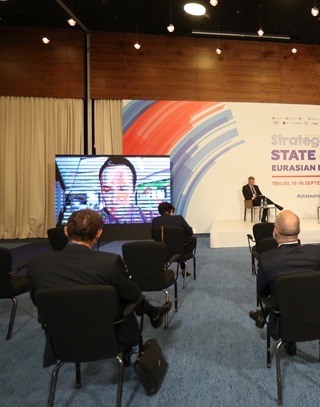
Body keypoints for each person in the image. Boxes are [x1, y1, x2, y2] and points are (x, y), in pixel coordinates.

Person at [27, 209, 172, 367]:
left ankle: (153, 312)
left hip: (62, 339)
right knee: (127, 294)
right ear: (99, 233)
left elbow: (37, 301)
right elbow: (131, 295)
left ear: (66, 231)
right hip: (108, 336)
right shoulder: (109, 262)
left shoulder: (37, 264)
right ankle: (153, 313)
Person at [248, 210, 320, 355]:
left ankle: (264, 316)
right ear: (299, 230)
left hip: (283, 313)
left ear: (275, 232)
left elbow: (262, 293)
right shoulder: (317, 252)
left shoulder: (266, 259)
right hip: (316, 312)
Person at [151, 202, 197, 276]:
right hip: (180, 251)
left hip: (162, 251)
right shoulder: (179, 218)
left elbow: (153, 236)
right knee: (186, 241)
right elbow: (189, 232)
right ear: (171, 210)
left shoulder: (155, 221)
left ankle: (162, 270)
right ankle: (184, 269)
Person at [99, 156, 147, 224]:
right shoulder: (92, 221)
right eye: (107, 190)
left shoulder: (148, 218)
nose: (114, 200)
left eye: (122, 189)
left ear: (134, 190)